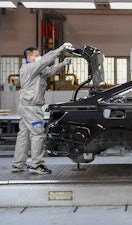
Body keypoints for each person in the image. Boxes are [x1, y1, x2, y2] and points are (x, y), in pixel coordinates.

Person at [11, 43, 73, 175]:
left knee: (24, 134)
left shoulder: (36, 70)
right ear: (29, 57)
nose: (39, 57)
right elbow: (45, 61)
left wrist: (63, 64)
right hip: (31, 108)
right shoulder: (29, 68)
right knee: (38, 134)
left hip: (27, 106)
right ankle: (37, 164)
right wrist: (60, 49)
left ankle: (18, 164)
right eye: (37, 55)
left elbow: (49, 70)